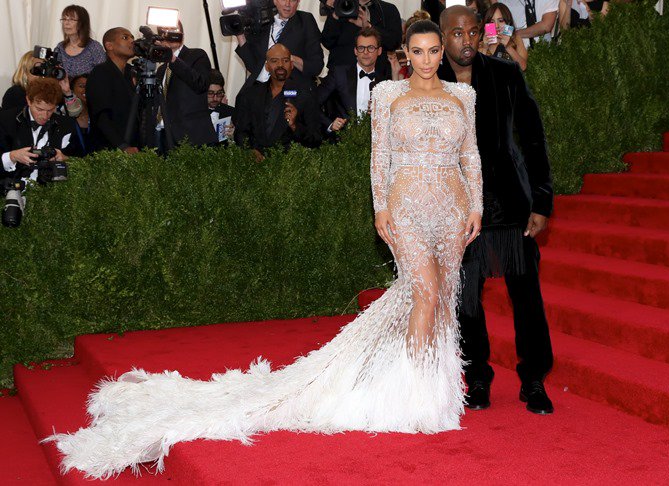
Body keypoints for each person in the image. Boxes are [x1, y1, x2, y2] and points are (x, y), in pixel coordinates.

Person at [45, 20, 483, 479]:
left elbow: (470, 155)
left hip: (452, 209)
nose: (429, 60)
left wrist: (474, 206)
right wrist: (380, 211)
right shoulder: (389, 96)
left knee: (443, 302)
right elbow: (380, 159)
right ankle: (413, 396)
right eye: (419, 51)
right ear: (405, 55)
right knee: (426, 292)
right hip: (407, 206)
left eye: (434, 51)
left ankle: (440, 395)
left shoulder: (463, 97)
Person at [438, 5, 554, 414]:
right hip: (459, 212)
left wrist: (541, 200)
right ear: (442, 36)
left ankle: (534, 379)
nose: (466, 41)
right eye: (456, 34)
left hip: (511, 206)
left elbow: (533, 138)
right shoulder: (431, 85)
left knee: (526, 298)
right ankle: (479, 377)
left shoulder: (505, 75)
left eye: (472, 32)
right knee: (467, 301)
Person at [234, 43, 322, 159]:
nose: (280, 65)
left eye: (285, 60)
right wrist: (251, 151)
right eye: (274, 61)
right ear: (266, 66)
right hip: (254, 166)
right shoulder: (251, 94)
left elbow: (316, 140)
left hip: (288, 168)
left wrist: (295, 126)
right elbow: (240, 132)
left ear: (291, 65)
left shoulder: (305, 96)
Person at [234, 0, 324, 92]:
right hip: (259, 88)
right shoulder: (263, 22)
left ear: (298, 2)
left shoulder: (305, 20)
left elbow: (316, 67)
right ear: (275, 1)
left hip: (290, 90)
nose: (287, 4)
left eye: (292, 0)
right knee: (241, 100)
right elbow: (253, 66)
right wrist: (239, 34)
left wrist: (289, 59)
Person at [154, 23, 218, 152]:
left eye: (174, 30)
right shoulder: (161, 69)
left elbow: (200, 84)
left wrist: (172, 58)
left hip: (192, 137)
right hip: (163, 137)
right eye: (165, 31)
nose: (170, 34)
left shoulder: (197, 55)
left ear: (181, 35)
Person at [317, 27, 392, 135]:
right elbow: (313, 101)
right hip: (341, 142)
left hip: (373, 143)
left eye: (370, 48)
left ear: (379, 51)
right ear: (355, 51)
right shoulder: (339, 74)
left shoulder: (385, 81)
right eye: (361, 48)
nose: (365, 52)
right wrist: (330, 124)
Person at [0, 78, 77, 181]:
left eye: (50, 110)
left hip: (54, 190)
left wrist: (65, 159)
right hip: (11, 188)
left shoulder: (66, 125)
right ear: (28, 100)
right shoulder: (5, 120)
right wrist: (12, 156)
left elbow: (82, 161)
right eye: (39, 109)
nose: (44, 116)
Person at [86, 28, 138, 153]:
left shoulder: (133, 72)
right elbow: (101, 115)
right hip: (109, 150)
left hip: (135, 145)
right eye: (125, 38)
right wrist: (122, 146)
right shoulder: (100, 72)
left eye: (132, 38)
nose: (132, 41)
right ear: (109, 45)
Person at [321, 0, 402, 72]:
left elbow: (394, 43)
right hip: (340, 77)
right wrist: (335, 16)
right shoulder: (341, 6)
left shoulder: (387, 9)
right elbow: (327, 42)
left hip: (379, 75)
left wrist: (368, 26)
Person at [2, 51, 83, 117]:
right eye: (37, 70)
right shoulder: (15, 93)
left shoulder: (54, 92)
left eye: (45, 69)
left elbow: (75, 114)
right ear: (24, 73)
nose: (41, 74)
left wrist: (67, 92)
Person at [54, 4, 106, 79]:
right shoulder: (60, 47)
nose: (66, 23)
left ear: (82, 23)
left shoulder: (94, 47)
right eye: (64, 19)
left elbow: (103, 76)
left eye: (71, 19)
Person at [479, 3, 528, 71]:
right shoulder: (482, 44)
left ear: (508, 22)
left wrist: (507, 46)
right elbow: (479, 72)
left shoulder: (516, 39)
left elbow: (523, 67)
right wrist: (485, 48)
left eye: (501, 21)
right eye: (492, 22)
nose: (496, 26)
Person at [207, 70, 235, 142]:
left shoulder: (233, 113)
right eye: (210, 93)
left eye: (219, 93)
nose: (215, 98)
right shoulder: (192, 112)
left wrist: (234, 137)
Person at [69, 74, 93, 155]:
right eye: (81, 86)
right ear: (71, 90)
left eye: (89, 86)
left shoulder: (97, 116)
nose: (85, 89)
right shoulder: (64, 115)